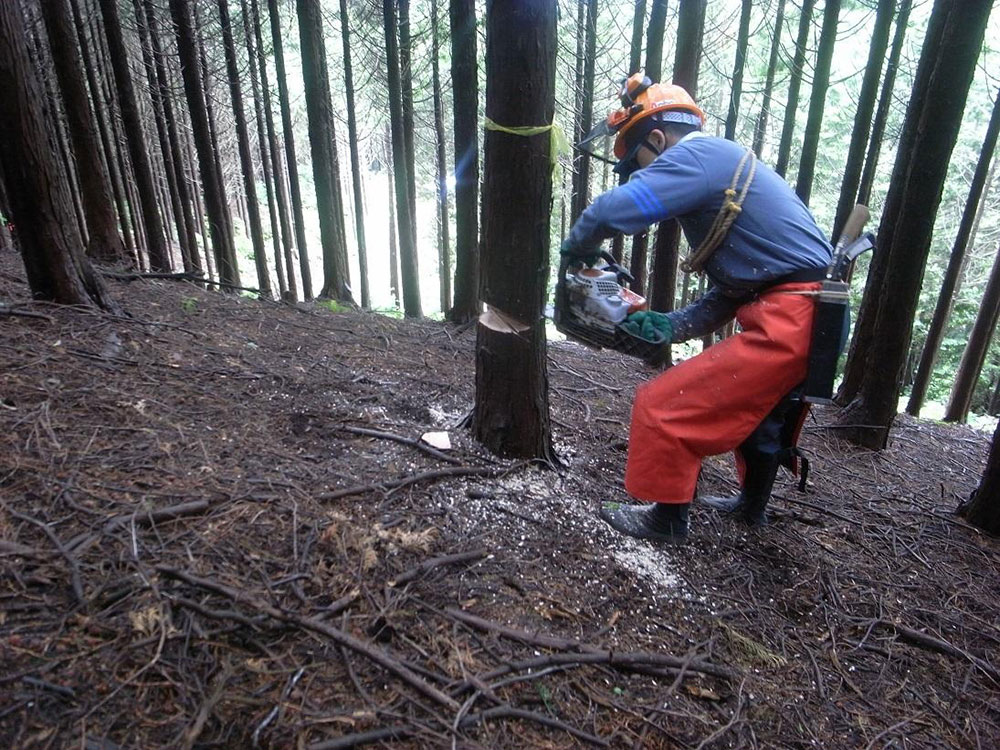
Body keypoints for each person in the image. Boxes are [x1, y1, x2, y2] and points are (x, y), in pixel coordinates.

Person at [561, 74, 832, 543]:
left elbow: (611, 212)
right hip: (806, 313)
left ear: (658, 138)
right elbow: (736, 290)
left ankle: (665, 521)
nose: (640, 174)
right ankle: (751, 508)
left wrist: (576, 249)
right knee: (763, 416)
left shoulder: (699, 155)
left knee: (664, 404)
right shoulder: (727, 167)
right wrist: (672, 325)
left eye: (638, 162)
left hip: (791, 317)